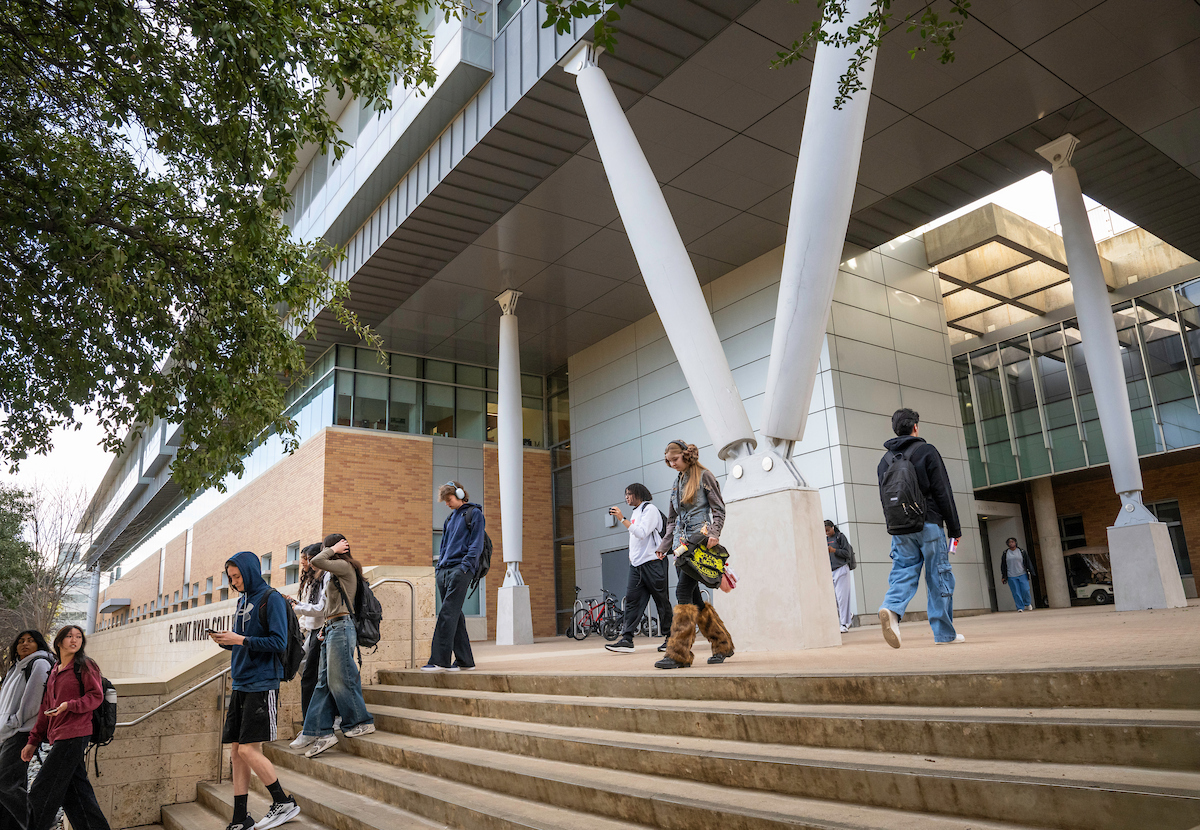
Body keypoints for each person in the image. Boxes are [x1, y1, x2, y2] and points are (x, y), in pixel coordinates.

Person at [209, 552, 300, 830]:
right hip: (241, 681)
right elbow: (245, 641)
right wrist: (227, 641)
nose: (234, 582)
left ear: (249, 572)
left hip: (262, 682)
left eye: (238, 576)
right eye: (231, 577)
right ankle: (240, 818)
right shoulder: (241, 601)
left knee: (248, 750)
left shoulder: (270, 598)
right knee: (237, 751)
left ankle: (283, 802)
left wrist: (240, 639)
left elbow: (278, 642)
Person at [877, 408, 964, 648]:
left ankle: (891, 610)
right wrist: (954, 528)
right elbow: (943, 491)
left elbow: (885, 499)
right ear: (915, 427)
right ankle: (944, 634)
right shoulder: (927, 451)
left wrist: (894, 527)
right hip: (928, 523)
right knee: (939, 577)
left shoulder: (884, 462)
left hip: (900, 528)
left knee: (903, 572)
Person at [653, 440, 735, 670]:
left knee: (682, 592)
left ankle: (678, 654)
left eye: (675, 460)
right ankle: (723, 644)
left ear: (686, 456)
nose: (672, 464)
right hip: (680, 548)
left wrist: (715, 533)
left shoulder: (704, 476)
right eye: (669, 461)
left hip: (698, 544)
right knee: (695, 600)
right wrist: (664, 545)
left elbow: (718, 509)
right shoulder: (676, 481)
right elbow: (671, 520)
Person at [21, 626, 111, 830]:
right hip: (59, 735)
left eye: (78, 637)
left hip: (76, 733)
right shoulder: (55, 670)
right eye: (69, 636)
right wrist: (33, 741)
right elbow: (45, 707)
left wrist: (69, 706)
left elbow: (95, 696)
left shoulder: (85, 665)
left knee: (42, 788)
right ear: (59, 641)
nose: (74, 640)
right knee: (76, 794)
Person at [296, 534, 376, 758]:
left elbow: (316, 561)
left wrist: (334, 549)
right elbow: (329, 604)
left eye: (325, 547)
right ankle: (318, 730)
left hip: (342, 627)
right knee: (323, 682)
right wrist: (324, 628)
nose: (324, 551)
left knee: (339, 680)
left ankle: (361, 721)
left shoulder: (343, 565)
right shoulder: (334, 571)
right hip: (331, 627)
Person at [422, 481, 484, 673]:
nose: (447, 504)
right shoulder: (449, 519)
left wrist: (465, 566)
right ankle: (466, 661)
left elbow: (476, 544)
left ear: (459, 494)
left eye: (448, 500)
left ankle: (439, 660)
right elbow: (444, 546)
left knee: (447, 613)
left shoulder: (475, 514)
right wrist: (439, 567)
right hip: (444, 570)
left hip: (461, 569)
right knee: (454, 615)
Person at [605, 483, 671, 654]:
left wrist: (621, 518)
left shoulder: (649, 510)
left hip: (653, 563)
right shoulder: (635, 512)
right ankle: (627, 638)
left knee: (661, 601)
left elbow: (641, 533)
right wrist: (632, 556)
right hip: (636, 566)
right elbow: (636, 539)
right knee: (632, 602)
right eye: (625, 494)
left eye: (629, 494)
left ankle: (671, 638)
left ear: (639, 494)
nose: (626, 497)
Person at [0, 630, 52, 830]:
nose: (25, 644)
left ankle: (37, 821)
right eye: (21, 640)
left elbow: (33, 701)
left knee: (5, 783)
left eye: (30, 640)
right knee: (14, 782)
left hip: (21, 731)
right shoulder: (17, 666)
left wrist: (13, 722)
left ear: (38, 643)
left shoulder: (39, 663)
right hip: (9, 730)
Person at [288, 543, 327, 722]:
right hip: (310, 632)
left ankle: (313, 719)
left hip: (320, 631)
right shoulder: (310, 580)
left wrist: (298, 607)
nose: (304, 562)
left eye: (308, 559)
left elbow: (320, 609)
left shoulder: (324, 578)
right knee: (308, 674)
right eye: (304, 558)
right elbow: (307, 608)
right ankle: (312, 717)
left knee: (312, 676)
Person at [825, 521, 854, 633]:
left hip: (841, 569)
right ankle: (848, 614)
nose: (827, 532)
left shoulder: (840, 537)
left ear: (833, 527)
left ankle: (844, 624)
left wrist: (834, 551)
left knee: (842, 598)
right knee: (834, 599)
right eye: (825, 531)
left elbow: (847, 553)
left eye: (828, 530)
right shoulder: (825, 540)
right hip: (830, 570)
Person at [1000, 537, 1036, 612]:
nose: (1011, 543)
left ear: (1016, 543)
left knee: (1025, 589)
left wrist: (1031, 571)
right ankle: (1020, 607)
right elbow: (1003, 565)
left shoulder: (1022, 551)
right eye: (1009, 542)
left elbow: (1027, 562)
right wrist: (1004, 576)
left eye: (1012, 542)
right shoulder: (1005, 553)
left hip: (1022, 573)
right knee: (1016, 592)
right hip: (1011, 575)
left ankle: (1027, 603)